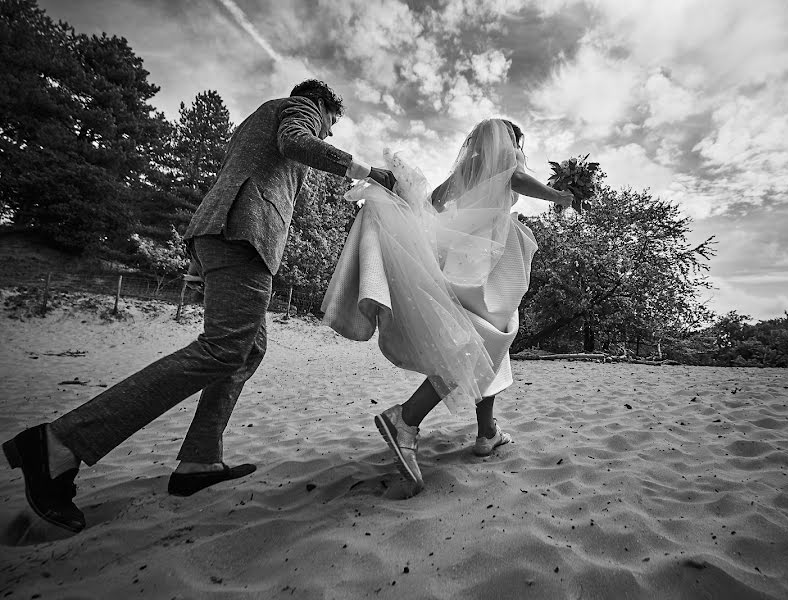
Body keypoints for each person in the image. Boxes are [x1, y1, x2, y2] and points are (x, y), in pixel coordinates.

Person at [2, 79, 396, 533]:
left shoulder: (254, 122)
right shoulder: (296, 108)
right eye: (332, 121)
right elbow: (297, 143)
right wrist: (368, 172)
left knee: (246, 349)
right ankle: (57, 444)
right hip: (241, 234)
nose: (328, 132)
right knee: (222, 349)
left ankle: (199, 461)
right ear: (321, 104)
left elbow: (252, 171)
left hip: (224, 234)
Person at [322, 119, 573, 493]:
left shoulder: (466, 169)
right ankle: (405, 419)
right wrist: (560, 196)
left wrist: (420, 226)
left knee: (490, 341)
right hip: (490, 259)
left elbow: (434, 203)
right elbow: (515, 180)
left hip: (462, 255)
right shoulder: (508, 160)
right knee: (477, 342)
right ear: (509, 142)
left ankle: (486, 431)